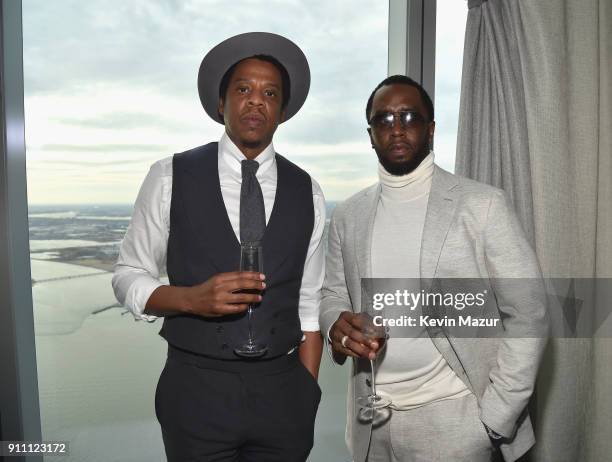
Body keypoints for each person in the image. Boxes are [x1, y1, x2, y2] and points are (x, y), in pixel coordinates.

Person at [112, 32, 324, 462]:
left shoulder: (309, 191)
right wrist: (190, 299)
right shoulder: (170, 175)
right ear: (220, 104)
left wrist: (307, 392)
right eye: (242, 89)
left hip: (284, 397)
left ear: (281, 112)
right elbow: (128, 275)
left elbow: (309, 302)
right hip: (195, 390)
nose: (255, 101)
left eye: (269, 93)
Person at [319, 75, 548, 462]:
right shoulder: (348, 215)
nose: (396, 129)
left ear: (431, 129)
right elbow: (333, 294)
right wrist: (335, 326)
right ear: (371, 134)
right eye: (384, 120)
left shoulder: (482, 205)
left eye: (409, 116)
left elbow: (529, 313)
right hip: (370, 424)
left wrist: (495, 416)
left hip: (455, 424)